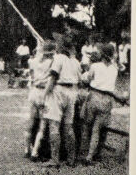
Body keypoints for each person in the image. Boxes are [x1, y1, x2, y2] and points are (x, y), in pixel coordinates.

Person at [41, 32, 82, 167]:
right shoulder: (76, 61)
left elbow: (52, 78)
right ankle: (71, 158)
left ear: (61, 46)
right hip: (72, 92)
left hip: (59, 90)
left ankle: (55, 159)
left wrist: (44, 95)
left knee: (54, 124)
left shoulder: (58, 58)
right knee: (69, 126)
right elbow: (80, 80)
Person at [80, 42, 120, 163]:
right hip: (107, 99)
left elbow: (87, 79)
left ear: (101, 54)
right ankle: (91, 156)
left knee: (86, 126)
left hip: (94, 96)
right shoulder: (115, 69)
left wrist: (84, 76)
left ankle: (83, 152)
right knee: (97, 129)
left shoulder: (95, 66)